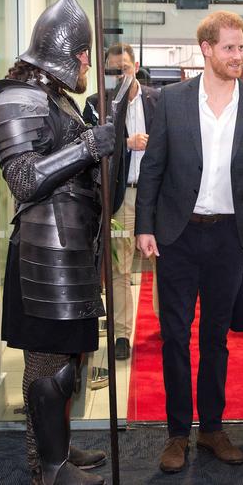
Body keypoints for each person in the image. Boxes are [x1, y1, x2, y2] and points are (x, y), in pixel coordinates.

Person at [135, 10, 243, 473]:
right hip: (176, 234)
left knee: (216, 338)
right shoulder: (172, 100)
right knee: (175, 338)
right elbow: (154, 166)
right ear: (207, 50)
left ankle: (213, 428)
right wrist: (144, 226)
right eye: (230, 48)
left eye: (242, 48)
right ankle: (178, 434)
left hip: (227, 237)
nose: (240, 56)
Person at [0, 0, 115, 483]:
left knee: (63, 359)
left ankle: (50, 453)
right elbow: (21, 178)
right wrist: (85, 146)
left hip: (70, 249)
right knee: (48, 365)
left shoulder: (55, 96)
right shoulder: (16, 96)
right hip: (44, 252)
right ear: (70, 53)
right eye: (84, 55)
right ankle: (51, 467)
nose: (86, 64)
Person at [83, 43, 160, 360]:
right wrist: (125, 143)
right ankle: (122, 335)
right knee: (118, 268)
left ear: (136, 65)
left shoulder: (160, 100)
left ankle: (167, 323)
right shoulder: (96, 103)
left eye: (124, 68)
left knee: (164, 264)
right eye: (113, 70)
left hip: (156, 197)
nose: (119, 75)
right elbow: (87, 148)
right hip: (121, 195)